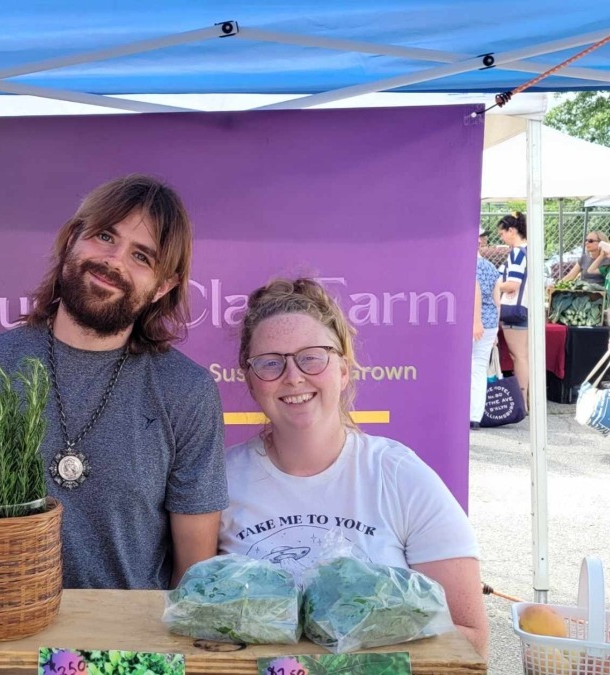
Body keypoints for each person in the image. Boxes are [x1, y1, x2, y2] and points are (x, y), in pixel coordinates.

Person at [0, 174, 228, 590]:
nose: (114, 261)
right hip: (2, 636)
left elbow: (193, 574)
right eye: (105, 236)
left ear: (164, 286)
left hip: (130, 649)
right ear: (72, 238)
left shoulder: (186, 391)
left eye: (142, 257)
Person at [218, 278, 488, 657]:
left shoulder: (401, 476)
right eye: (270, 363)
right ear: (250, 381)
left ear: (343, 369)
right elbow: (192, 625)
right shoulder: (220, 481)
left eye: (312, 356)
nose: (293, 376)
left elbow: (470, 638)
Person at [497, 212, 529, 402]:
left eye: (502, 233)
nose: (502, 237)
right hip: (525, 308)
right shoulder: (529, 250)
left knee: (519, 357)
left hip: (513, 310)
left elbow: (512, 284)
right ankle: (526, 399)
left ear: (512, 230)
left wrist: (495, 286)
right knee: (524, 356)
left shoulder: (517, 253)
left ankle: (521, 400)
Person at [472, 232, 502, 429]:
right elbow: (497, 300)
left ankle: (467, 412)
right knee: (479, 368)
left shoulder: (468, 265)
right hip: (490, 323)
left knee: (470, 368)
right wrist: (496, 330)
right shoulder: (491, 267)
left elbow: (475, 292)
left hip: (475, 323)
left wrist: (476, 322)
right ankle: (475, 414)